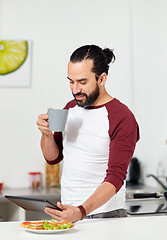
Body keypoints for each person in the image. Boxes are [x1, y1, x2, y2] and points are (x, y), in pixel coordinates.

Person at [36, 44, 139, 223]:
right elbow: (53, 158)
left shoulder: (121, 117)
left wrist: (81, 211)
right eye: (71, 81)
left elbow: (116, 177)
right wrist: (46, 134)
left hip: (105, 215)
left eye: (82, 82)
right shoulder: (70, 108)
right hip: (69, 213)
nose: (75, 89)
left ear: (102, 79)